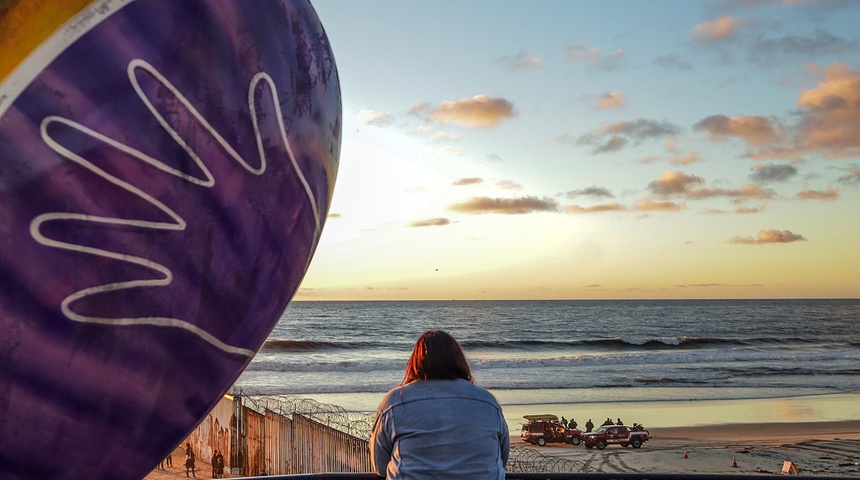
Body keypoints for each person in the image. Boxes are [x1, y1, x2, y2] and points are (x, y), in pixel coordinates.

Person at [370, 330, 509, 479]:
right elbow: (502, 457)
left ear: (415, 361)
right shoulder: (487, 401)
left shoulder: (396, 401)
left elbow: (380, 465)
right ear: (459, 360)